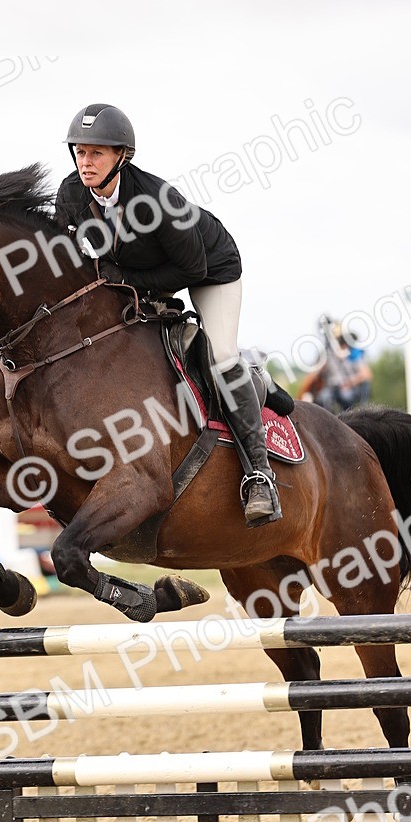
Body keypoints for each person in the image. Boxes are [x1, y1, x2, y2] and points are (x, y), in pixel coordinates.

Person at [55, 102, 281, 527]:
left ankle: (259, 474)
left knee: (221, 357)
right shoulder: (70, 195)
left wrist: (126, 279)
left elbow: (190, 269)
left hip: (210, 268)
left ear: (122, 156)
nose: (86, 163)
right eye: (80, 153)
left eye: (96, 154)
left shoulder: (158, 200)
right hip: (139, 273)